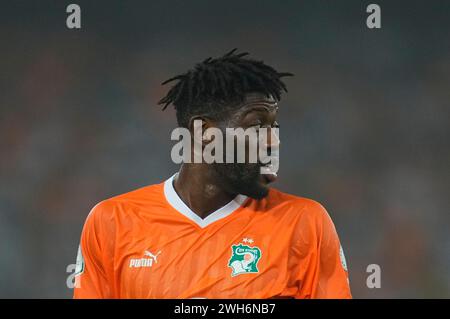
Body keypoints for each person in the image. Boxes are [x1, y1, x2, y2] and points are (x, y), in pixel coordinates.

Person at [73, 49, 351, 298]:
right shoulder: (112, 222)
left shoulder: (305, 223)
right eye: (256, 126)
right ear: (203, 131)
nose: (273, 142)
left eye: (274, 127)